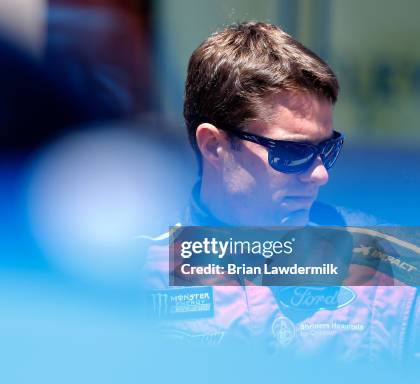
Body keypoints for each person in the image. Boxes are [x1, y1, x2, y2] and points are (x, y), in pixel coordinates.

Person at [143, 22, 419, 362]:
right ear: (214, 146)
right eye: (291, 153)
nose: (319, 174)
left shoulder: (395, 264)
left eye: (327, 149)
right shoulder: (129, 268)